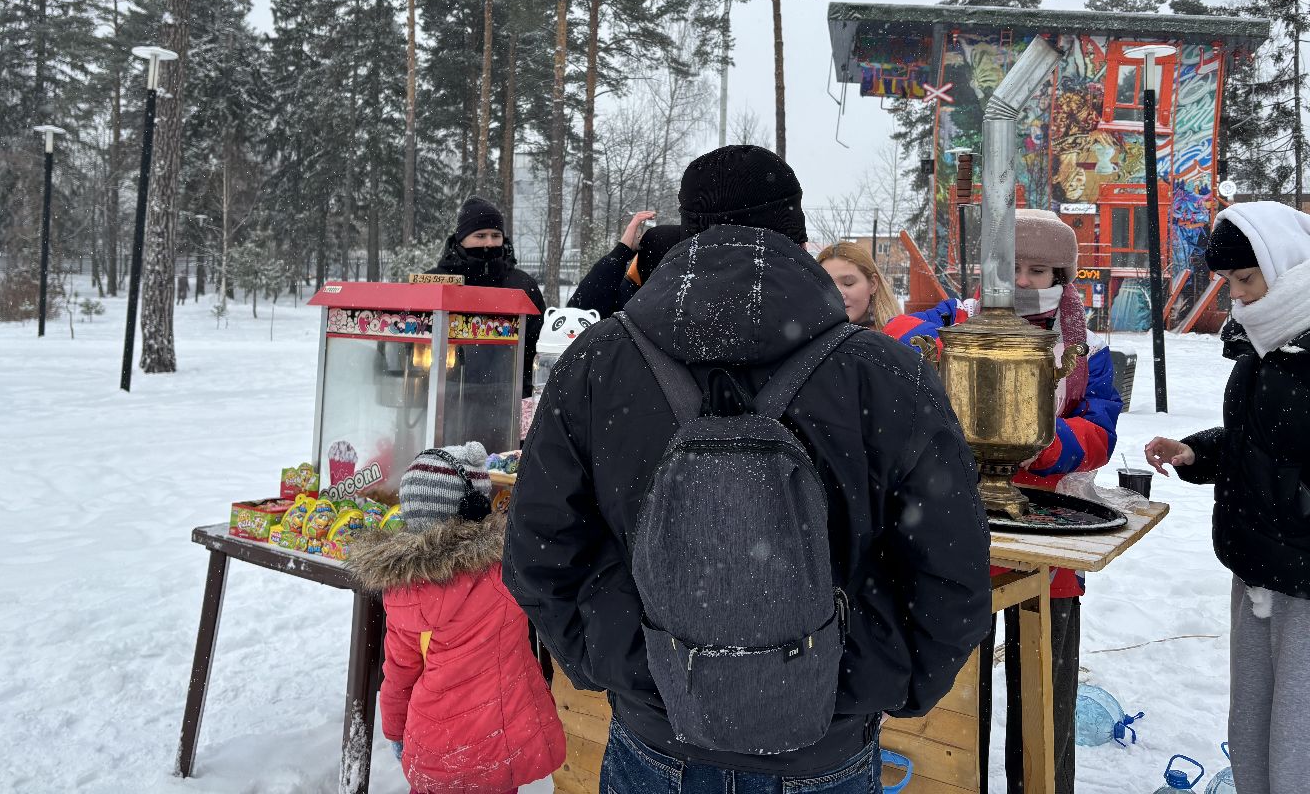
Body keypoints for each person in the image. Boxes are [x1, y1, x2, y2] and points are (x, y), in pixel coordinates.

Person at [505, 144, 990, 791]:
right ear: (797, 236)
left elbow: (539, 553)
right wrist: (868, 681)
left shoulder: (599, 364)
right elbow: (952, 572)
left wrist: (631, 666)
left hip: (655, 741)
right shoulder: (882, 372)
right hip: (823, 750)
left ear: (688, 230)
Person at [886, 208, 1121, 794]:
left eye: (1037, 270)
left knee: (1043, 691)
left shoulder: (1084, 350)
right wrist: (940, 346)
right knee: (957, 699)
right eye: (1008, 268)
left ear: (1062, 277)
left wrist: (1034, 439)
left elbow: (1100, 433)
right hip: (959, 533)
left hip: (1047, 535)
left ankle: (1041, 784)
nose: (1021, 282)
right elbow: (895, 340)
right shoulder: (955, 320)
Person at [1144, 203, 1310, 794]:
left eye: (1247, 279)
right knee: (1252, 726)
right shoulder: (1263, 346)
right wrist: (1196, 453)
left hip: (1305, 583)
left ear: (1286, 266)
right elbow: (1259, 444)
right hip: (1256, 566)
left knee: (1299, 738)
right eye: (1231, 283)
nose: (1238, 296)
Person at [346, 442, 565, 794]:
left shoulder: (402, 591)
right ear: (476, 509)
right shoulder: (505, 574)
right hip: (500, 742)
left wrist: (395, 730)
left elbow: (399, 672)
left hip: (434, 746)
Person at [430, 197, 544, 398]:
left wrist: (523, 391)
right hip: (445, 398)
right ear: (461, 239)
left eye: (495, 235)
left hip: (508, 401)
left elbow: (537, 347)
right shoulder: (436, 283)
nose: (489, 243)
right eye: (480, 236)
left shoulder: (522, 285)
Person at [568, 210, 687, 320]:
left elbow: (575, 319)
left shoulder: (632, 305)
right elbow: (575, 318)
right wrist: (620, 253)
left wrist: (621, 252)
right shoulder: (691, 304)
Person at [816, 240, 902, 330]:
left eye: (848, 283)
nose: (837, 295)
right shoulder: (807, 339)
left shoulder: (901, 337)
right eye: (826, 285)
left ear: (873, 284)